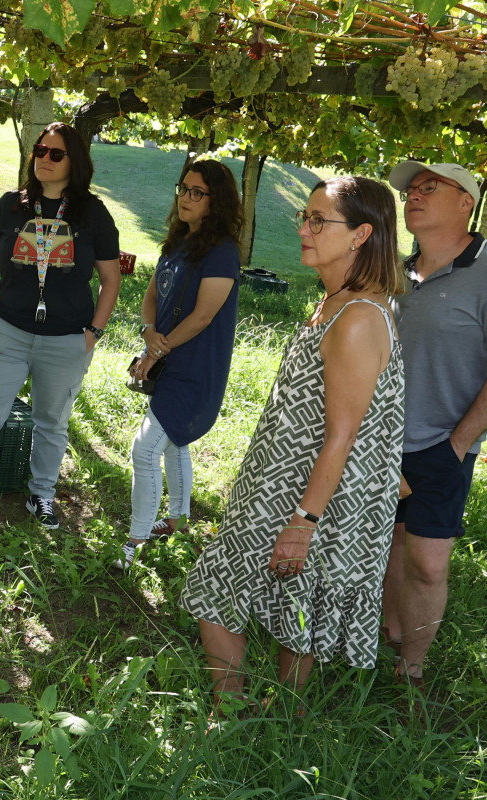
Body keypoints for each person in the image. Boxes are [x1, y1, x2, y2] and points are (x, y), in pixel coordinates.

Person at [179, 176, 405, 715]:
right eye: (303, 217)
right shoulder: (337, 303)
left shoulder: (357, 318)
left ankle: (235, 712)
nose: (304, 229)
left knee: (218, 586)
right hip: (285, 481)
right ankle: (280, 717)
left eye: (318, 220)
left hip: (311, 493)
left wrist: (304, 522)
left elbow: (344, 434)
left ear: (361, 236)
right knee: (294, 600)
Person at [0, 122, 121, 529]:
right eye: (40, 151)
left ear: (75, 162)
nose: (44, 159)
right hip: (7, 332)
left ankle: (41, 496)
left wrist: (93, 333)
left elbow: (111, 281)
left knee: (51, 423)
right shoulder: (10, 206)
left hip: (67, 339)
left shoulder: (93, 214)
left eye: (56, 154)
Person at [381, 161, 487, 691]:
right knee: (385, 546)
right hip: (376, 444)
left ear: (466, 202)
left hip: (443, 446)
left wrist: (459, 444)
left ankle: (411, 674)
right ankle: (386, 638)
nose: (413, 197)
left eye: (429, 188)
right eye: (410, 191)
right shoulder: (396, 273)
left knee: (427, 562)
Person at [114, 161, 242, 570]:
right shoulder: (177, 242)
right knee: (175, 443)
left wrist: (155, 351)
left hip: (195, 368)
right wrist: (149, 330)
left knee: (146, 448)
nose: (185, 198)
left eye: (197, 193)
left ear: (215, 201)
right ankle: (177, 520)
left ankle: (135, 540)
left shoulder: (223, 252)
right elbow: (152, 295)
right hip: (170, 358)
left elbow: (204, 316)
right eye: (183, 189)